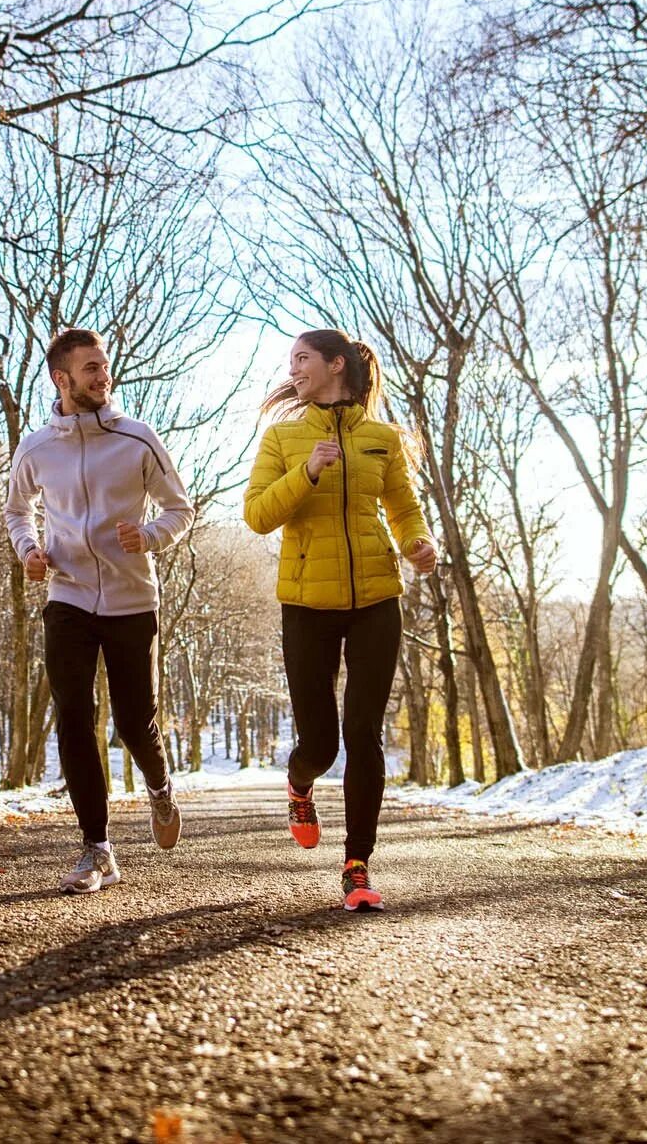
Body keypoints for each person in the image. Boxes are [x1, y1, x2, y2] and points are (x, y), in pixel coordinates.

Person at [243, 329, 437, 911]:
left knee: (364, 734)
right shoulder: (282, 437)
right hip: (306, 604)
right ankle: (300, 784)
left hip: (377, 597)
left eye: (302, 358)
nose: (294, 370)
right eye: (291, 362)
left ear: (335, 365)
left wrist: (418, 542)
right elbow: (256, 516)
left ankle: (358, 864)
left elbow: (403, 507)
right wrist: (304, 472)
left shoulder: (381, 439)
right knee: (322, 744)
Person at [6, 328, 195, 894]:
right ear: (61, 380)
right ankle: (98, 848)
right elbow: (17, 511)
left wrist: (149, 535)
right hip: (66, 596)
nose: (102, 376)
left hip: (132, 598)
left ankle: (159, 786)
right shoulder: (37, 447)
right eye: (90, 368)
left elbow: (179, 508)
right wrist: (30, 551)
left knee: (136, 722)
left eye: (103, 366)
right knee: (73, 717)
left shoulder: (138, 439)